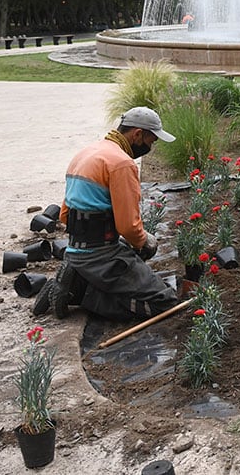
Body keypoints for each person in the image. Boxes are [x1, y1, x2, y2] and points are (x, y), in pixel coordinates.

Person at [33, 107, 179, 321]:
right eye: (151, 141)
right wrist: (144, 241)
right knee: (165, 302)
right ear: (137, 134)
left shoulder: (86, 153)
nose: (150, 147)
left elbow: (65, 215)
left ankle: (80, 277)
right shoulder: (121, 163)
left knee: (131, 254)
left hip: (75, 249)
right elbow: (128, 227)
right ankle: (83, 292)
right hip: (101, 255)